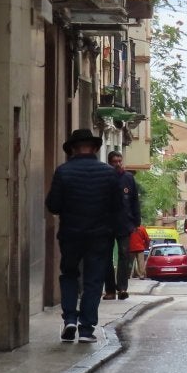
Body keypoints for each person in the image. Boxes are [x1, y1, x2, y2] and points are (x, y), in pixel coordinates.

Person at [45, 128, 125, 343]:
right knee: (93, 280)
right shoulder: (109, 174)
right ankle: (87, 329)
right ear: (96, 149)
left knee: (69, 274)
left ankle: (70, 318)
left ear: (72, 149)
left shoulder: (63, 172)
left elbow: (53, 205)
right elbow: (119, 207)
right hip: (99, 236)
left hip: (71, 234)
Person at [102, 150, 142, 300]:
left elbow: (134, 201)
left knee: (124, 255)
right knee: (106, 257)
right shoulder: (104, 178)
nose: (118, 164)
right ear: (109, 163)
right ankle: (110, 290)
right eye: (114, 162)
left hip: (125, 224)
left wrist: (136, 222)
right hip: (106, 224)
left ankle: (122, 288)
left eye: (120, 161)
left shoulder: (128, 178)